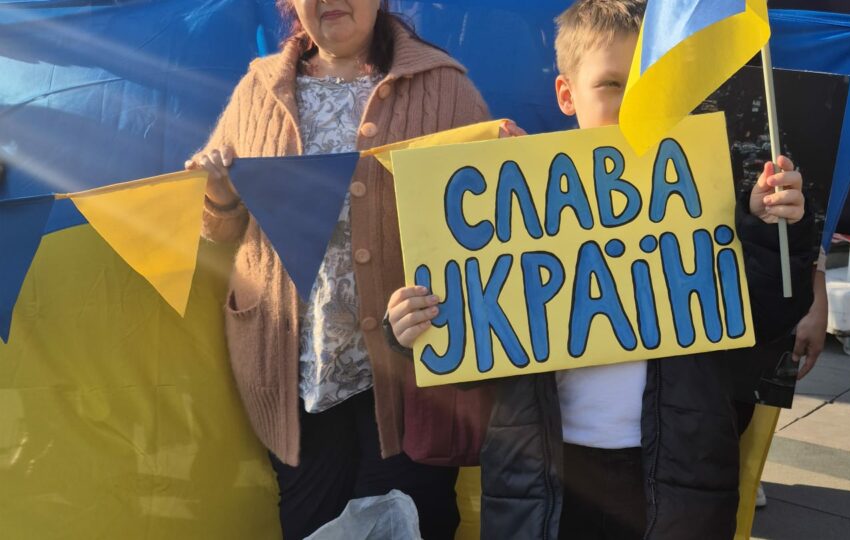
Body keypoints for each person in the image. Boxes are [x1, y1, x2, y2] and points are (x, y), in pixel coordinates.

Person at [387, 1, 817, 538]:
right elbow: (478, 362)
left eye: (650, 85)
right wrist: (416, 326)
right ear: (567, 94)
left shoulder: (713, 196)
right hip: (544, 482)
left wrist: (772, 232)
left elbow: (768, 317)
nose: (635, 103)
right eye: (613, 85)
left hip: (678, 478)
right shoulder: (515, 202)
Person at [187, 1, 515, 538]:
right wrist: (218, 194)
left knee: (411, 521)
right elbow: (221, 229)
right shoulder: (259, 91)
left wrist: (512, 163)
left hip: (411, 375)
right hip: (297, 377)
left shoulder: (443, 87)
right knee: (310, 526)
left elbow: (493, 220)